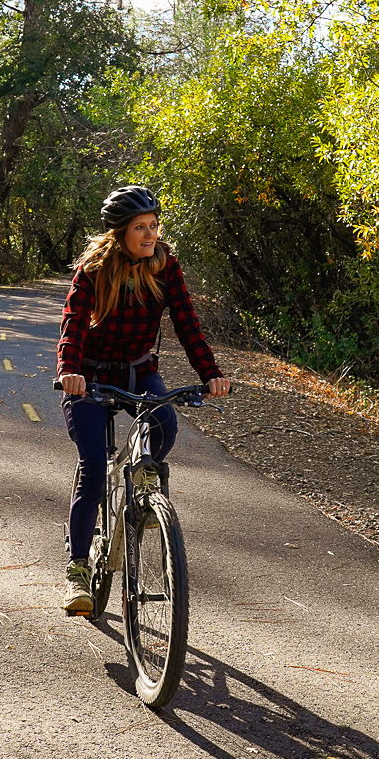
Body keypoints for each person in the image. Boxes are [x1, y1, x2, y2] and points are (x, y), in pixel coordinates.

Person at [56, 184, 230, 615]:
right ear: (120, 232)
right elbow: (73, 325)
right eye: (140, 228)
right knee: (93, 465)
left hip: (138, 370)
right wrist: (70, 372)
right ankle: (78, 568)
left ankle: (143, 482)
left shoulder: (164, 265)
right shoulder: (93, 270)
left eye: (154, 225)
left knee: (165, 423)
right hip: (91, 376)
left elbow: (187, 323)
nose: (150, 234)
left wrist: (210, 374)